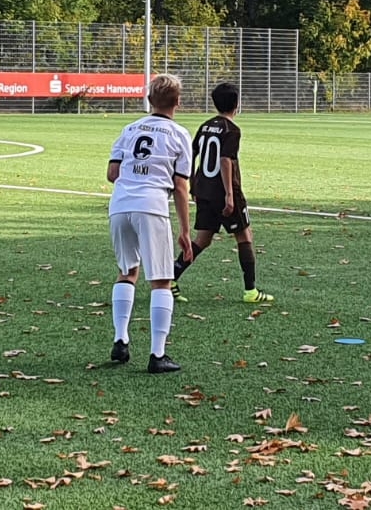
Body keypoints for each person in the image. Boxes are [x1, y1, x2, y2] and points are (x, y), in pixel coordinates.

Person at [106, 74, 193, 374]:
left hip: (120, 205)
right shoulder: (179, 134)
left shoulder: (130, 129)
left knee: (127, 272)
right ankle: (158, 354)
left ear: (148, 100)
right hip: (152, 206)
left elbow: (112, 173)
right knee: (161, 280)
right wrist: (185, 230)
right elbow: (180, 185)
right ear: (178, 102)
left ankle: (120, 339)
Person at [171, 82, 274, 304]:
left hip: (204, 191)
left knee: (203, 239)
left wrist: (193, 184)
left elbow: (191, 154)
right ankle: (251, 291)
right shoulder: (232, 130)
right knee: (244, 236)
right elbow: (225, 160)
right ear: (236, 104)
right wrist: (229, 195)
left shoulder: (205, 126)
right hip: (224, 191)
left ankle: (171, 277)